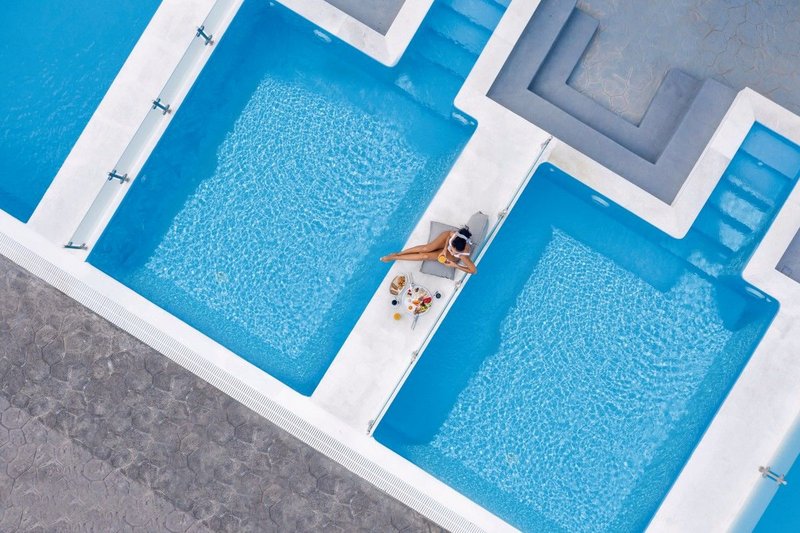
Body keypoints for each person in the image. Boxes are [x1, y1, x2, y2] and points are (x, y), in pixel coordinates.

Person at [380, 226, 477, 274]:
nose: (452, 250)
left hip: (452, 257)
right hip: (446, 242)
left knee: (425, 256)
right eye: (452, 248)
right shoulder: (454, 235)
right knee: (426, 248)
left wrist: (455, 265)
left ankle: (395, 257)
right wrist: (444, 249)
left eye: (455, 251)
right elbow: (448, 235)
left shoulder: (463, 256)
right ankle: (398, 254)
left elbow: (473, 271)